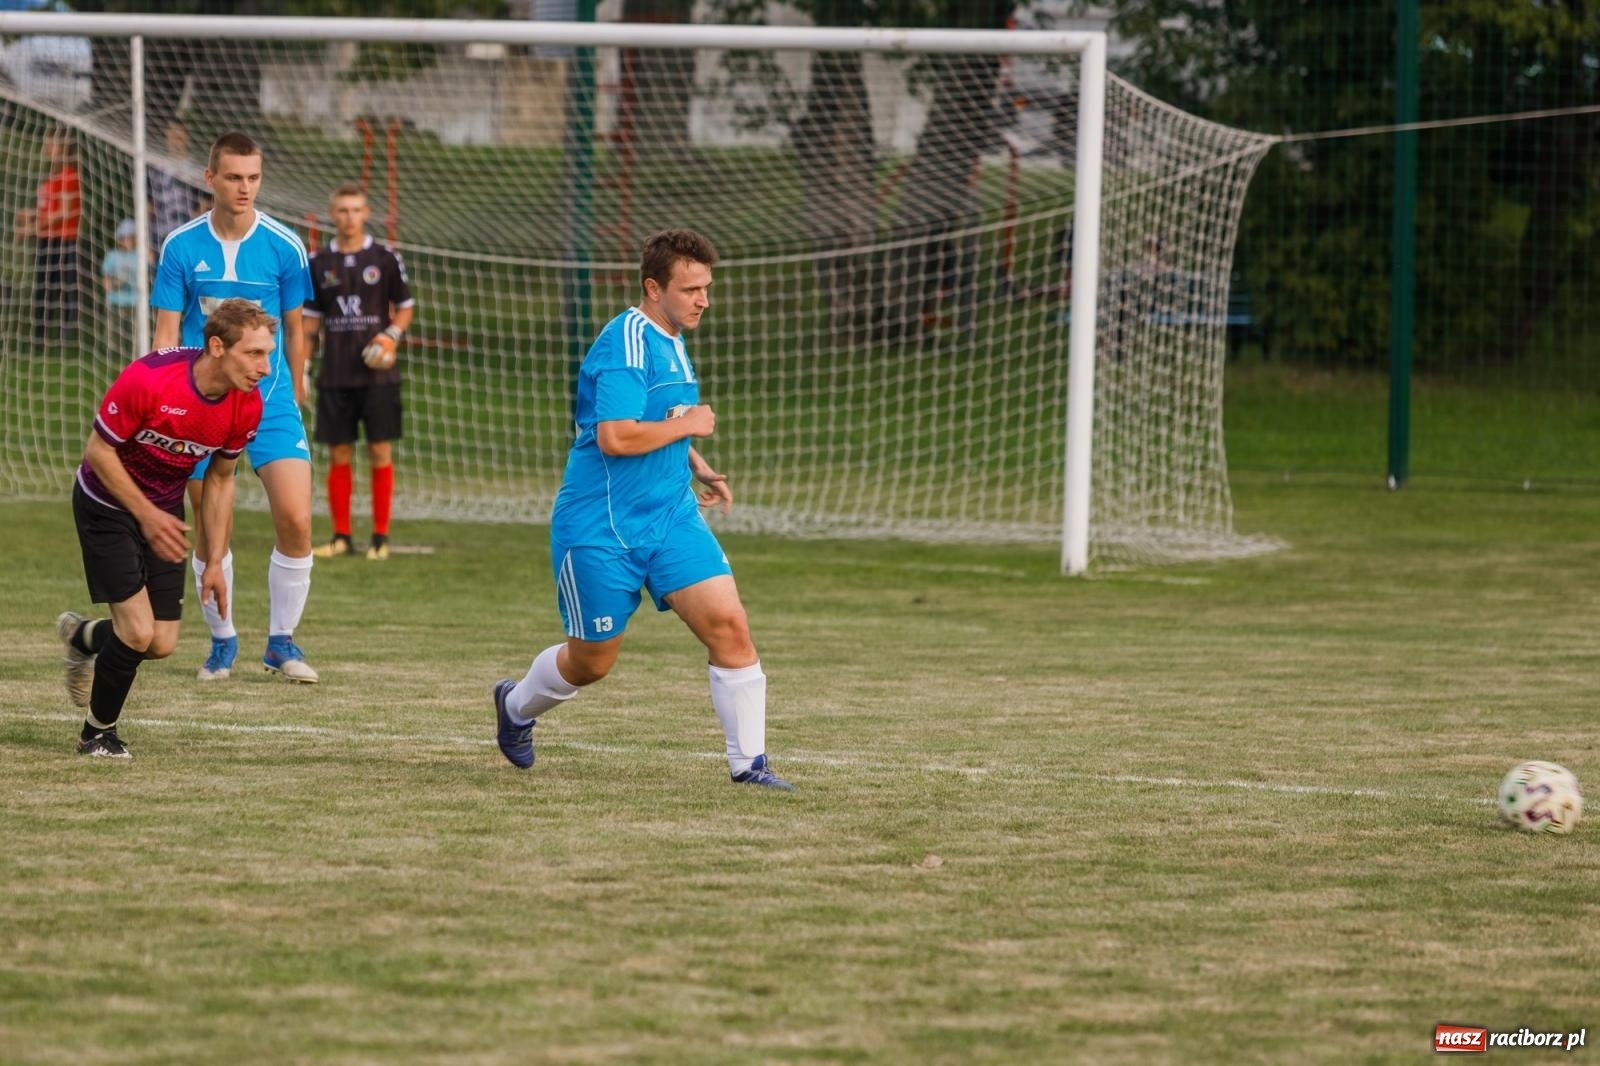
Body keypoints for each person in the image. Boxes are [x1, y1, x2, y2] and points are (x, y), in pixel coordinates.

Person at [491, 228, 792, 790]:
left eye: (707, 287)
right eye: (691, 289)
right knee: (591, 664)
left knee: (730, 627)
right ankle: (515, 707)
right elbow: (615, 438)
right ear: (654, 288)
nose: (703, 299)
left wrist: (695, 461)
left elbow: (663, 413)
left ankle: (750, 765)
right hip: (602, 528)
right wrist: (690, 425)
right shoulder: (625, 343)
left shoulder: (671, 334)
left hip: (671, 517)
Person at [55, 299, 272, 758]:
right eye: (254, 353)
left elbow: (219, 480)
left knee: (160, 643)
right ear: (217, 346)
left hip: (163, 511)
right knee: (136, 632)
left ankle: (83, 637)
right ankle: (97, 734)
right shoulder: (150, 379)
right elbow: (98, 452)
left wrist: (215, 560)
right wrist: (149, 515)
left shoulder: (246, 406)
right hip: (105, 505)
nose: (265, 367)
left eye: (267, 354)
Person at [152, 130, 319, 684]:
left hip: (270, 403)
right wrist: (168, 403)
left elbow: (295, 328)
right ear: (210, 179)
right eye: (233, 177)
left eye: (253, 177)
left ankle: (281, 644)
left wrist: (297, 386)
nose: (245, 187)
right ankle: (222, 643)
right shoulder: (180, 246)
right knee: (209, 528)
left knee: (296, 518)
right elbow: (167, 336)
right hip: (201, 410)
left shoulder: (285, 246)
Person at [303, 182, 416, 561]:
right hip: (335, 373)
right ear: (333, 214)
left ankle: (380, 538)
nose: (349, 218)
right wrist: (301, 368)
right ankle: (341, 536)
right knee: (338, 453)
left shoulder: (384, 258)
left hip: (378, 375)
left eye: (356, 210)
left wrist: (390, 336)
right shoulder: (318, 263)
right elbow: (310, 324)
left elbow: (404, 306)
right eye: (342, 210)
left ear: (367, 213)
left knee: (380, 450)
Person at [13, 126, 80, 348]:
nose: (47, 149)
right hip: (45, 239)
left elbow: (64, 211)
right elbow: (48, 209)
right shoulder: (49, 179)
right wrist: (30, 215)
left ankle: (67, 340)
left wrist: (31, 228)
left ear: (62, 149)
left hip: (63, 241)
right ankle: (39, 339)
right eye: (46, 145)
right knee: (43, 288)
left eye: (51, 145)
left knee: (63, 288)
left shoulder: (69, 175)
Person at [149, 118, 205, 248]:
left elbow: (204, 206)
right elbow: (149, 208)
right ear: (167, 137)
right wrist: (147, 244)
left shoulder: (196, 170)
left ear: (186, 138)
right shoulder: (155, 169)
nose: (175, 140)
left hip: (188, 239)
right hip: (160, 239)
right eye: (172, 135)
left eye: (179, 136)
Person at [101, 218, 139, 331]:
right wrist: (112, 286)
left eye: (129, 237)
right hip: (115, 297)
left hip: (135, 298)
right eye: (123, 238)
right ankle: (112, 345)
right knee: (114, 327)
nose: (125, 241)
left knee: (136, 326)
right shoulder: (112, 256)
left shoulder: (140, 255)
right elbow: (106, 279)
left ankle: (136, 346)